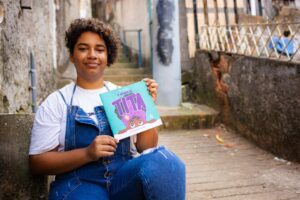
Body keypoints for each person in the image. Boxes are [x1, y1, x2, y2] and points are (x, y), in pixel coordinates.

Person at [28, 18, 185, 200]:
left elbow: (146, 147)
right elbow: (37, 163)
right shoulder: (57, 102)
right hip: (78, 184)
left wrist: (147, 105)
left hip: (123, 180)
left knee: (166, 161)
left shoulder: (123, 95)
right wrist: (87, 153)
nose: (92, 55)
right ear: (72, 55)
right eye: (83, 48)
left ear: (108, 57)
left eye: (100, 49)